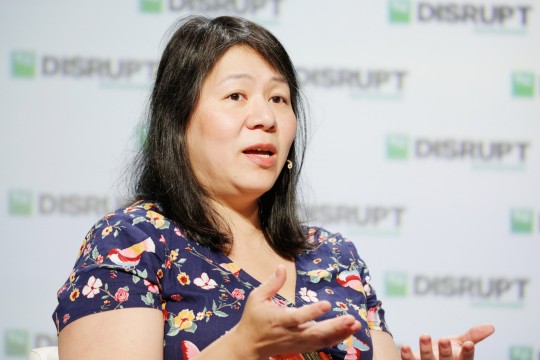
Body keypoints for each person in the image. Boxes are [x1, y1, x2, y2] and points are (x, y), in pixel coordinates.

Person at [53, 15, 494, 360]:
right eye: (236, 97)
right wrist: (241, 347)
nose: (265, 117)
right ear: (178, 122)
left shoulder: (334, 255)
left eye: (278, 99)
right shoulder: (134, 240)